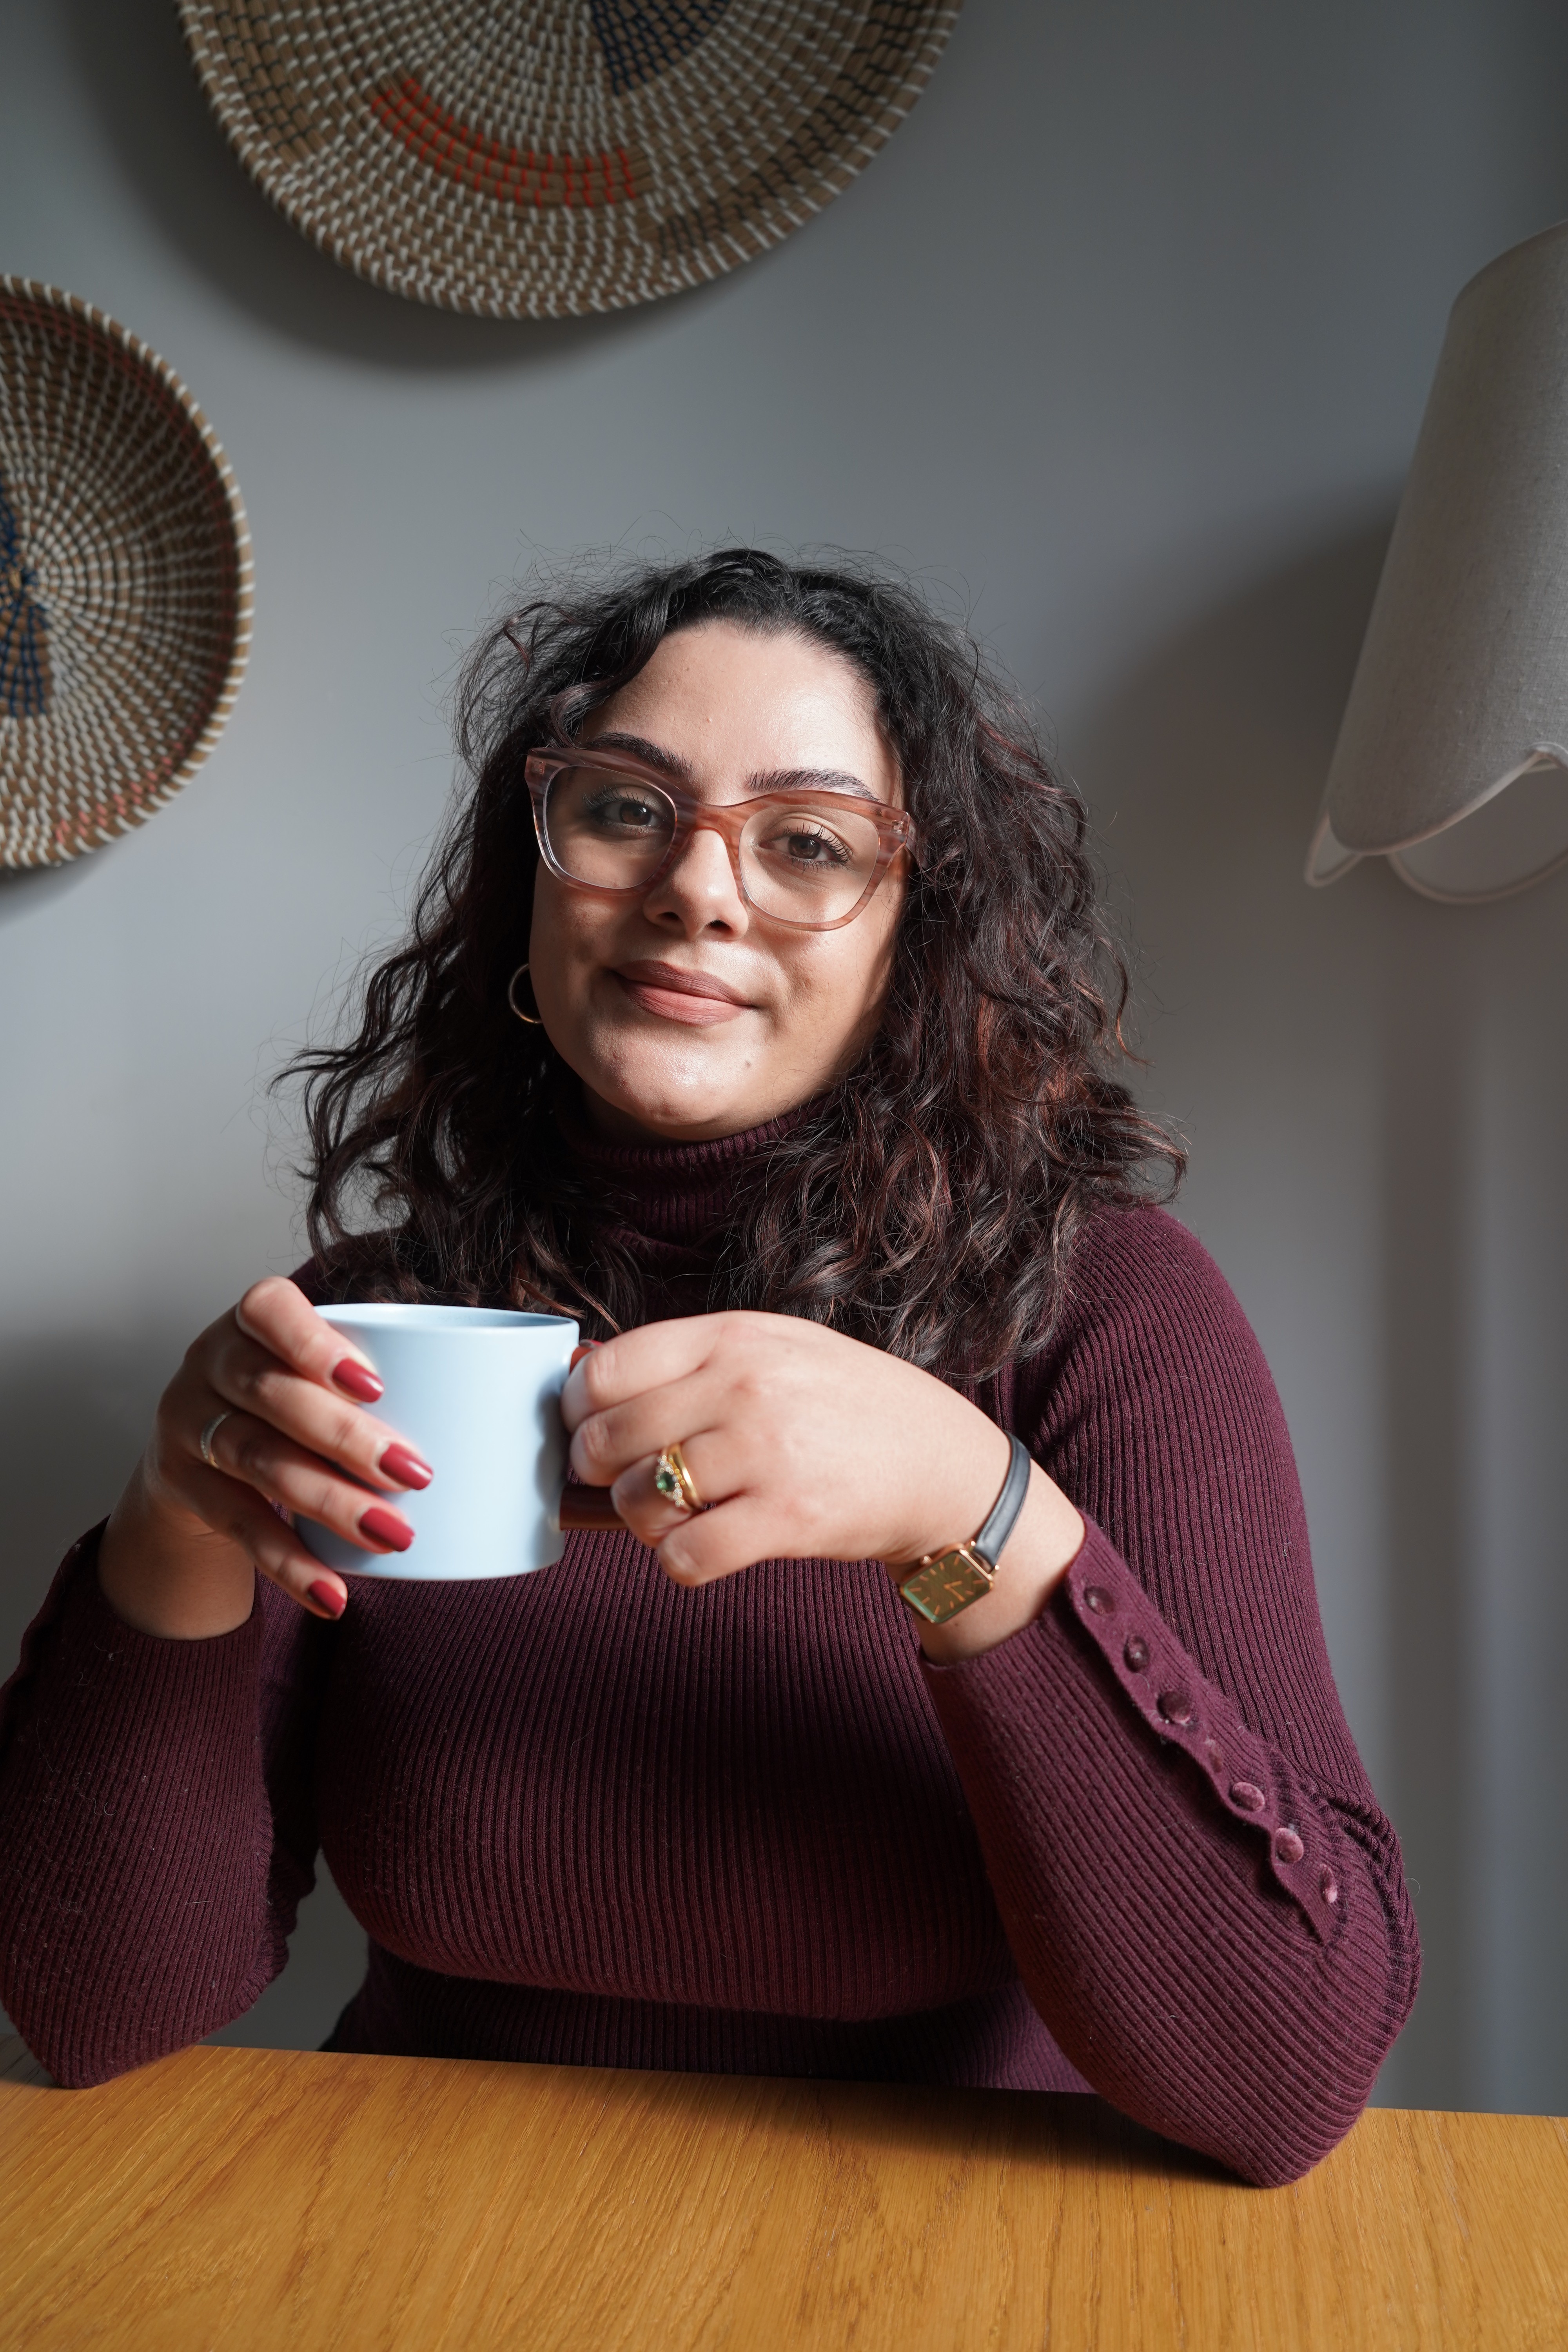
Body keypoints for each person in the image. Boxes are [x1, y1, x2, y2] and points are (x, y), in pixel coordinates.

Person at [0, 549, 1417, 2184]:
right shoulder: (372, 1328)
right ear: (529, 879)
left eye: (807, 842)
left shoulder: (1103, 1317)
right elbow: (94, 2007)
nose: (698, 890)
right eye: (624, 810)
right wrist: (171, 1530)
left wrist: (976, 1510)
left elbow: (1282, 2078)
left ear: (914, 934)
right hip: (418, 2238)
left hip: (954, 2256)